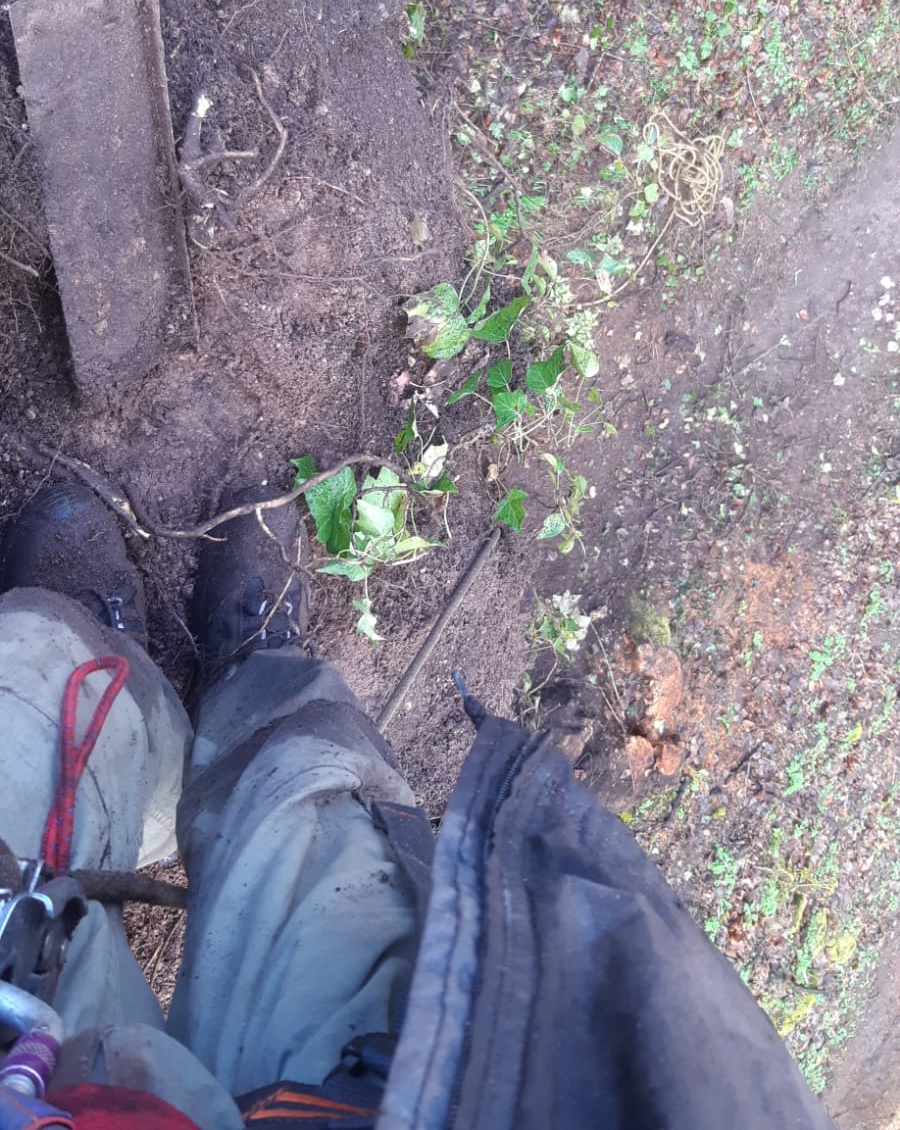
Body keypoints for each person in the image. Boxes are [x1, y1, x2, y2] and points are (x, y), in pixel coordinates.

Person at [0, 480, 833, 1130]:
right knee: (319, 815)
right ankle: (250, 680)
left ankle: (91, 671)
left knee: (27, 737)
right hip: (428, 1086)